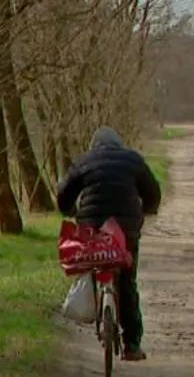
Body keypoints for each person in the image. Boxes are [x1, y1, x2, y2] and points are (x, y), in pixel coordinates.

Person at [56, 126, 162, 361]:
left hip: (92, 228)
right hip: (126, 230)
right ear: (119, 144)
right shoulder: (133, 160)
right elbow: (153, 191)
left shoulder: (84, 161)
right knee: (127, 281)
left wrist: (68, 210)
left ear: (95, 146)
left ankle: (97, 295)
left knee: (93, 263)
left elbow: (64, 192)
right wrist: (148, 209)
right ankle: (132, 344)